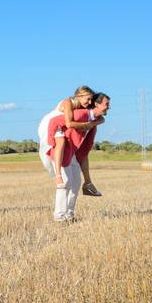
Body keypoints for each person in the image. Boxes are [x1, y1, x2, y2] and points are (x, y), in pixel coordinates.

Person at [40, 92, 111, 222]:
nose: (109, 107)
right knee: (65, 182)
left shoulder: (93, 125)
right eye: (106, 104)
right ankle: (59, 217)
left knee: (76, 181)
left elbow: (84, 151)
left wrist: (88, 180)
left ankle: (69, 215)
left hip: (71, 153)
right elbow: (54, 121)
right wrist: (52, 142)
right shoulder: (80, 114)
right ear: (96, 104)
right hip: (61, 150)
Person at [38, 86, 103, 190]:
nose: (90, 102)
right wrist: (87, 125)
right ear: (79, 96)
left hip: (61, 125)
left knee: (71, 145)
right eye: (88, 99)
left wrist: (97, 122)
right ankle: (58, 176)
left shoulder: (81, 106)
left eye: (91, 99)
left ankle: (87, 182)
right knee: (60, 141)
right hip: (50, 124)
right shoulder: (68, 102)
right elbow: (69, 124)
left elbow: (99, 117)